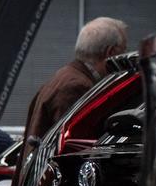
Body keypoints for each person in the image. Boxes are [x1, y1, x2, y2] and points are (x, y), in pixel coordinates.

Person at [23, 17, 129, 148]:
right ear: (111, 53)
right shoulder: (77, 88)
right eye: (124, 50)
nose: (125, 57)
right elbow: (71, 149)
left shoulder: (63, 77)